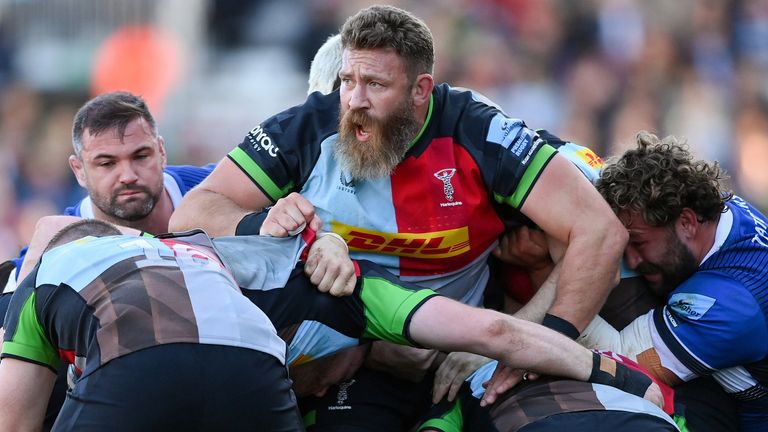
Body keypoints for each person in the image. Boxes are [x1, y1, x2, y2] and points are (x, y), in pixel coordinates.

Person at [169, 5, 626, 428]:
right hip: (359, 359)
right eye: (348, 81)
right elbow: (194, 211)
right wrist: (265, 224)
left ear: (420, 91)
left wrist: (533, 347)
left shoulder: (481, 131)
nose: (355, 101)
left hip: (470, 357)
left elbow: (599, 230)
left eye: (376, 85)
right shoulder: (308, 126)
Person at [0, 219, 663, 430]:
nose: (323, 391)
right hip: (250, 377)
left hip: (134, 363)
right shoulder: (336, 286)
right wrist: (614, 373)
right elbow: (494, 332)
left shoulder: (42, 277)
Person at [487, 131, 768, 431]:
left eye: (638, 242)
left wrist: (544, 267)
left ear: (686, 222)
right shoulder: (726, 213)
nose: (630, 260)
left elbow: (618, 359)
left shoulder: (730, 306)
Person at [3, 91, 214, 290]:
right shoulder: (55, 250)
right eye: (107, 163)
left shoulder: (217, 189)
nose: (128, 175)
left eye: (140, 157)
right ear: (79, 170)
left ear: (161, 151)